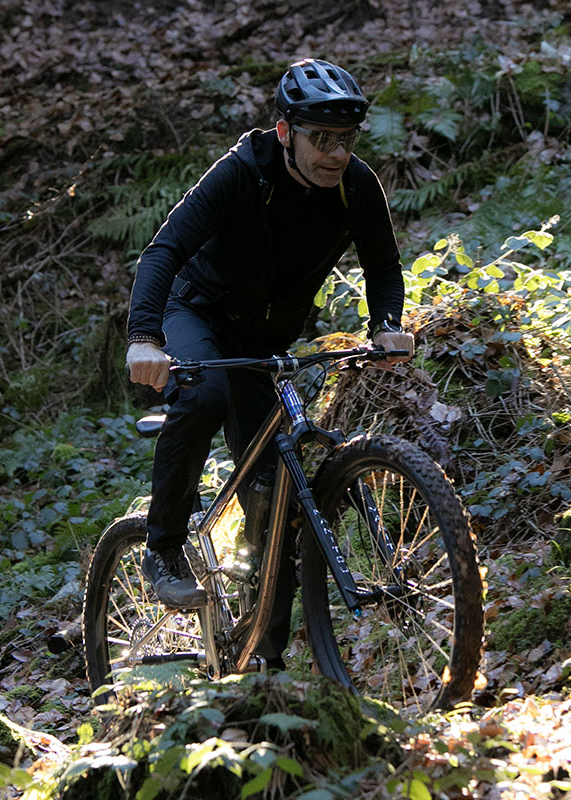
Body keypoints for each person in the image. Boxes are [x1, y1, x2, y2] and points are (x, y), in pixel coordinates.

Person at [124, 58, 414, 665]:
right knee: (203, 396)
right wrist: (145, 337)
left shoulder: (357, 187)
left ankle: (265, 661)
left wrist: (386, 326)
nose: (336, 154)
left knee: (278, 492)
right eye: (321, 139)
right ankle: (164, 549)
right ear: (285, 132)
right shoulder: (241, 172)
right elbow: (164, 250)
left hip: (265, 343)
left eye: (346, 139)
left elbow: (383, 266)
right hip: (197, 316)